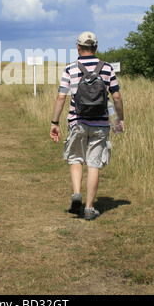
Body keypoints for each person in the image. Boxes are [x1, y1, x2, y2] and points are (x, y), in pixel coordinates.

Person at [50, 31, 124, 220]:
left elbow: (61, 97)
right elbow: (116, 96)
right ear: (96, 48)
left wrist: (55, 122)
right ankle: (90, 208)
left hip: (77, 121)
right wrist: (119, 120)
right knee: (94, 164)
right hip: (101, 124)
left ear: (77, 47)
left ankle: (77, 194)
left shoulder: (70, 69)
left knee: (75, 158)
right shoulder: (107, 68)